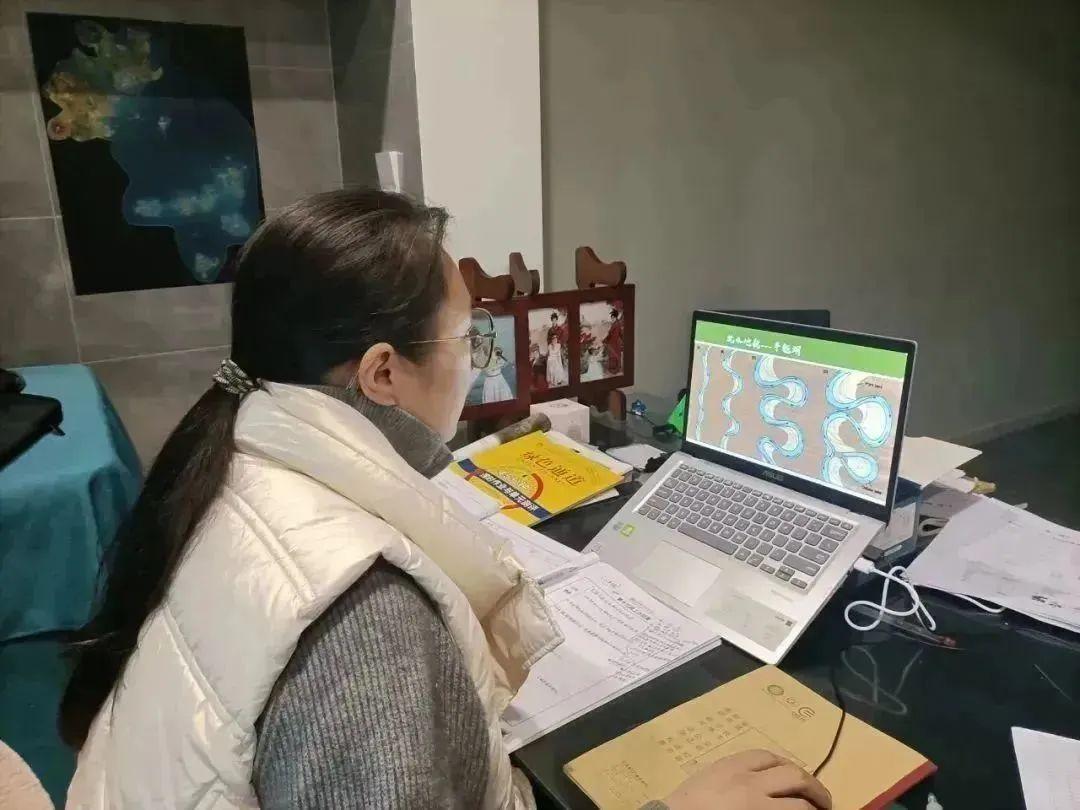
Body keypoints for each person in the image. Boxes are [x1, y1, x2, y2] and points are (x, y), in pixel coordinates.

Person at [57, 188, 830, 810]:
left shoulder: (234, 456)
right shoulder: (366, 619)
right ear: (382, 373)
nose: (477, 362)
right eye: (470, 340)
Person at [545, 311, 568, 387]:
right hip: (552, 348)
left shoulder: (560, 329)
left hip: (559, 347)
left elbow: (563, 338)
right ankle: (552, 379)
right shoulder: (550, 330)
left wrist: (558, 343)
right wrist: (551, 345)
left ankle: (559, 379)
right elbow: (548, 340)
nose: (554, 321)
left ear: (557, 320)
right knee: (550, 362)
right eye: (553, 320)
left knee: (559, 363)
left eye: (555, 320)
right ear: (551, 320)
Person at [604, 305, 624, 376]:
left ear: (615, 317)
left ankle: (614, 370)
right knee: (615, 355)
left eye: (612, 318)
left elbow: (612, 334)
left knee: (614, 355)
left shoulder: (616, 324)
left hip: (614, 342)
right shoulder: (617, 324)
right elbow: (621, 334)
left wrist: (605, 340)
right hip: (614, 342)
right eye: (611, 318)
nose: (611, 319)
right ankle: (615, 369)